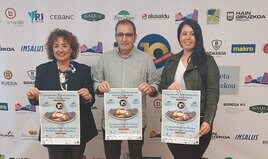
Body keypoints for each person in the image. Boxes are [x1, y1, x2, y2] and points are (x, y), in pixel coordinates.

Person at [26, 28, 98, 159]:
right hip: (53, 128)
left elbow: (90, 100)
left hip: (78, 128)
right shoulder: (42, 70)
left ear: (72, 49)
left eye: (65, 46)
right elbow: (38, 98)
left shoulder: (83, 70)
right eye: (56, 46)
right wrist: (32, 97)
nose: (60, 50)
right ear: (51, 50)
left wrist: (88, 96)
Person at [93, 19, 159, 159]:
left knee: (136, 155)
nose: (124, 39)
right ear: (116, 36)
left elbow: (155, 84)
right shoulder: (105, 59)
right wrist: (99, 87)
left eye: (129, 35)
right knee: (111, 155)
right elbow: (96, 83)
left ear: (135, 37)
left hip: (136, 119)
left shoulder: (146, 59)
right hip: (111, 119)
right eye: (120, 34)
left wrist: (150, 88)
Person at [158, 19, 220, 159]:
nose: (188, 37)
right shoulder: (171, 61)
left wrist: (208, 120)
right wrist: (168, 88)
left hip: (198, 123)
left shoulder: (207, 61)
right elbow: (161, 87)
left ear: (198, 36)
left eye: (192, 34)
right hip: (173, 122)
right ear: (179, 37)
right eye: (184, 33)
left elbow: (212, 93)